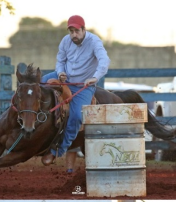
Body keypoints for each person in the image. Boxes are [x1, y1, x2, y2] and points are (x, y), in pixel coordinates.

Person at [41, 15, 110, 166]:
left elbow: (104, 61)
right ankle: (19, 122)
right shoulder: (66, 41)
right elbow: (60, 61)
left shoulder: (94, 41)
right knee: (35, 86)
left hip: (83, 85)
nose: (74, 35)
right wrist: (60, 73)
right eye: (71, 31)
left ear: (84, 29)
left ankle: (58, 150)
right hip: (64, 78)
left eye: (77, 31)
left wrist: (95, 77)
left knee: (77, 116)